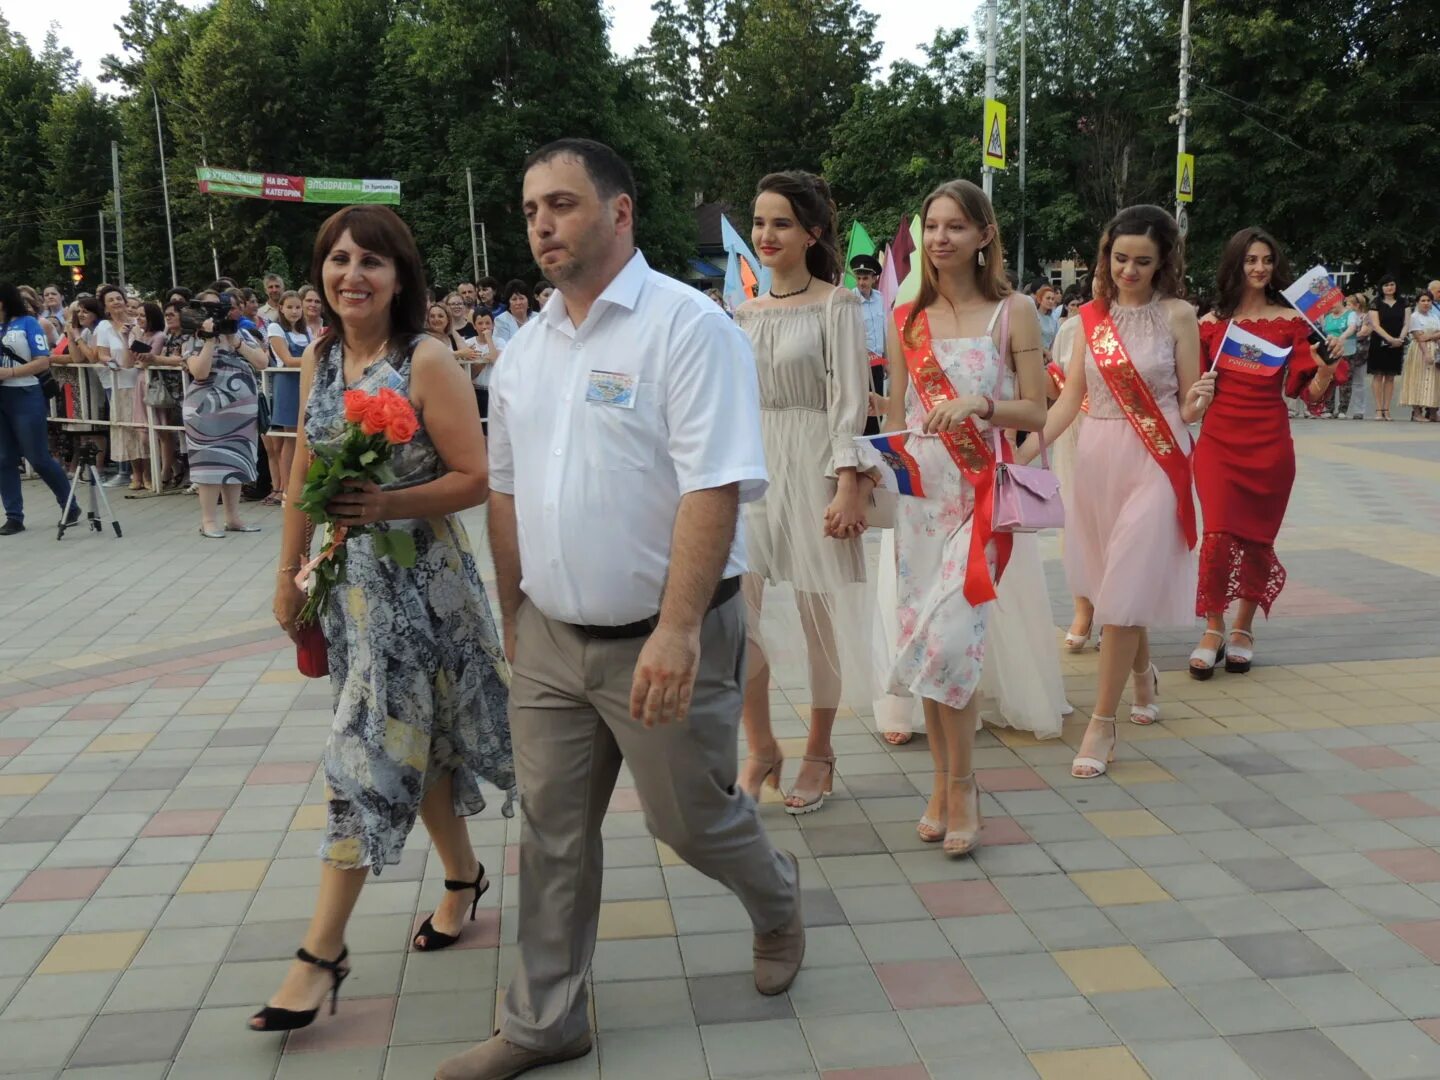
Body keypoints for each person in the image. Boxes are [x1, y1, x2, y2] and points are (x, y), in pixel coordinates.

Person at [436, 139, 801, 1080]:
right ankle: (546, 1020)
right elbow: (506, 490)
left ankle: (776, 899)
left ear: (621, 212)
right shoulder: (524, 350)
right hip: (555, 640)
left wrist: (679, 631)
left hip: (664, 634)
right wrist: (514, 613)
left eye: (561, 204)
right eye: (530, 211)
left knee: (689, 823)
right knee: (553, 833)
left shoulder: (688, 328)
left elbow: (714, 485)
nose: (543, 225)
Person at [257, 204, 513, 1034]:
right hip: (353, 593)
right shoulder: (321, 355)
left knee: (363, 760)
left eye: (370, 261)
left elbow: (475, 477)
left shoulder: (426, 359)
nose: (351, 275)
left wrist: (389, 501)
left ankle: (320, 953)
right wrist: (289, 572)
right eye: (337, 260)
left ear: (400, 275)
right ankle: (464, 877)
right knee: (423, 745)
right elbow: (301, 472)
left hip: (425, 592)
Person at [873, 181, 1048, 853]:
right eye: (931, 227)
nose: (941, 238)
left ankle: (967, 785)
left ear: (984, 235)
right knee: (924, 644)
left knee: (953, 642)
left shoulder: (1016, 312)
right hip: (921, 499)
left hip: (979, 497)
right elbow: (894, 421)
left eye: (955, 226)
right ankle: (941, 785)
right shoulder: (904, 316)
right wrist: (868, 478)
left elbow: (1034, 408)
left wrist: (982, 405)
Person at [1021, 205, 1213, 779]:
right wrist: (1023, 453)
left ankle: (1101, 725)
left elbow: (1186, 404)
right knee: (1112, 584)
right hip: (1099, 457)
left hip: (1158, 458)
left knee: (1127, 579)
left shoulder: (1180, 317)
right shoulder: (1088, 320)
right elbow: (1070, 397)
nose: (1129, 270)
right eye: (1120, 258)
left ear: (1164, 263)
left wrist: (1199, 402)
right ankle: (1140, 675)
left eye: (1143, 262)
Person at [733, 170, 875, 812]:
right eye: (760, 221)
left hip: (818, 459)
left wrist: (849, 484)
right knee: (735, 615)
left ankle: (820, 749)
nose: (766, 234)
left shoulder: (836, 303)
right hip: (755, 464)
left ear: (812, 232)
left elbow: (850, 400)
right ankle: (760, 743)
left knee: (820, 620)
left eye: (781, 222)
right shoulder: (743, 311)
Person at [1187, 228, 1342, 678]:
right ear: (1235, 264)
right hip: (1217, 442)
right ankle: (1212, 628)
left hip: (1270, 443)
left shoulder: (1294, 322)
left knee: (1257, 541)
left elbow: (1308, 394)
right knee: (1216, 535)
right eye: (1250, 260)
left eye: (1267, 260)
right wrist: (1200, 392)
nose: (1259, 268)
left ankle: (1243, 629)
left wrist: (1327, 370)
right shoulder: (1210, 322)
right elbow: (1190, 394)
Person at [181, 290, 268, 537]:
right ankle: (208, 520)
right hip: (205, 410)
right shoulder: (192, 339)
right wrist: (209, 339)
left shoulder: (239, 333)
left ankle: (233, 517)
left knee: (236, 461)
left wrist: (235, 341)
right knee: (209, 464)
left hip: (240, 411)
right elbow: (199, 372)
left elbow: (262, 362)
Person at [0, 282, 77, 536]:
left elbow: (42, 361)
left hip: (25, 393)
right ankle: (13, 515)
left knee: (38, 456)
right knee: (3, 459)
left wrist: (9, 372)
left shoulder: (27, 323)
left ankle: (69, 505)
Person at [94, 285, 151, 491]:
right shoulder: (103, 327)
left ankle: (148, 473)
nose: (117, 302)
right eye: (111, 300)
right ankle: (135, 473)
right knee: (127, 430)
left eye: (119, 298)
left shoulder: (137, 324)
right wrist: (109, 360)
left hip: (139, 379)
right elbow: (100, 353)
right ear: (106, 307)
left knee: (143, 429)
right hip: (118, 382)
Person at [263, 291, 310, 504]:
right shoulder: (275, 328)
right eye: (290, 307)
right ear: (281, 308)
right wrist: (315, 359)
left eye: (298, 307)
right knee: (290, 437)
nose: (294, 311)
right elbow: (288, 359)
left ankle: (304, 482)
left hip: (306, 383)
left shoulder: (306, 330)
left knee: (305, 435)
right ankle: (288, 487)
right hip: (288, 383)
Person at [851, 252, 887, 437]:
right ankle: (862, 439)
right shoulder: (850, 301)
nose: (861, 282)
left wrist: (887, 359)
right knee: (862, 404)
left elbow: (884, 330)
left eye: (865, 278)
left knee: (878, 402)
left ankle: (876, 440)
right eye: (858, 278)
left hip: (878, 362)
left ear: (874, 278)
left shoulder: (880, 298)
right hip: (859, 362)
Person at [1368, 276, 1408, 421]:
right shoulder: (1376, 302)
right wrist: (1389, 339)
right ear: (1381, 288)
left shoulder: (1403, 302)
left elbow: (1406, 323)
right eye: (1386, 285)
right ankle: (1378, 409)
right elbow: (1375, 325)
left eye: (1392, 284)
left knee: (1390, 377)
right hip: (1379, 342)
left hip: (1397, 341)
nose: (1389, 287)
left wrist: (1400, 339)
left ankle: (1387, 409)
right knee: (1378, 375)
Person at [1400, 291, 1440, 421]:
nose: (1426, 303)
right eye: (1423, 301)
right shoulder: (1414, 317)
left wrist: (1431, 336)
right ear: (1417, 302)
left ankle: (1433, 412)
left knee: (1435, 381)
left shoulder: (1434, 316)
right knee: (1417, 379)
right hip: (1419, 350)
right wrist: (1426, 353)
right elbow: (1419, 337)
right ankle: (1417, 412)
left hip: (1435, 348)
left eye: (1428, 301)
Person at [1324, 293, 1362, 418]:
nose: (1330, 307)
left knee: (1345, 379)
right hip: (1330, 351)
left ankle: (1342, 410)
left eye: (1332, 303)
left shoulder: (1350, 314)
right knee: (1330, 379)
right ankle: (1329, 408)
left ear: (1340, 301)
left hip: (1347, 351)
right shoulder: (1328, 317)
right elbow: (1324, 332)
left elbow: (1352, 328)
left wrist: (1341, 338)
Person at [468, 309, 500, 429]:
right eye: (480, 323)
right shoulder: (468, 343)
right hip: (476, 391)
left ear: (493, 324)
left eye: (487, 323)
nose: (484, 327)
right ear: (474, 326)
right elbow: (471, 374)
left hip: (493, 391)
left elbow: (496, 360)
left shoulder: (499, 341)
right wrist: (483, 362)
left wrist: (489, 340)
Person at [493, 280, 532, 346]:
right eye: (514, 299)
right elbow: (502, 347)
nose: (518, 303)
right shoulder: (501, 320)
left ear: (528, 301)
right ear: (508, 304)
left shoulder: (538, 317)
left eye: (522, 298)